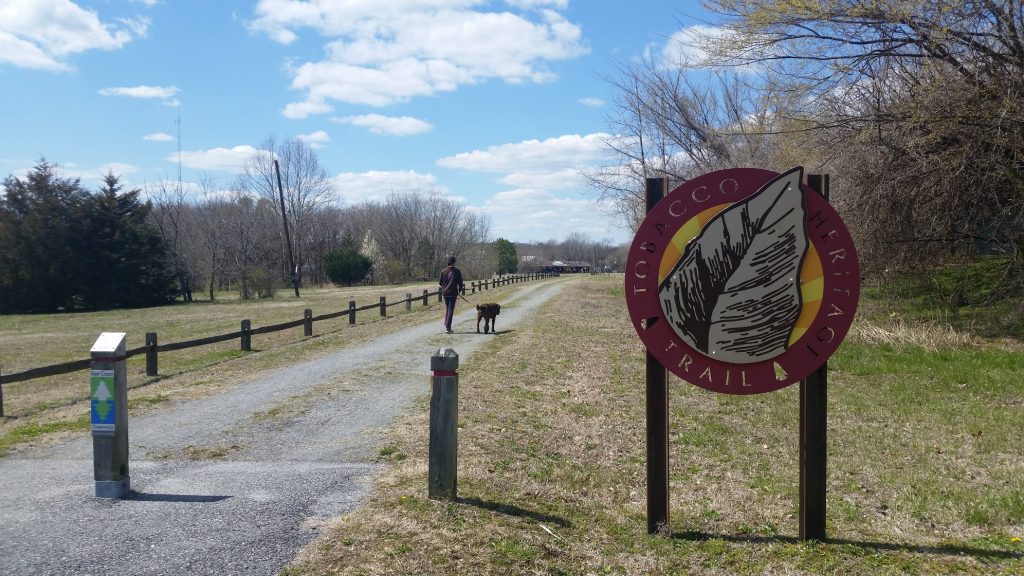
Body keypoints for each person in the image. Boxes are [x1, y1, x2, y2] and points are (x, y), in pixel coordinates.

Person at [438, 256, 464, 334]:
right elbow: (460, 282)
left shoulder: (443, 271)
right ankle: (448, 327)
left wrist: (444, 287)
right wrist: (459, 290)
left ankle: (447, 324)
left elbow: (440, 282)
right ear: (454, 262)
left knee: (448, 308)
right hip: (453, 293)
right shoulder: (457, 271)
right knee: (450, 309)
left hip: (445, 293)